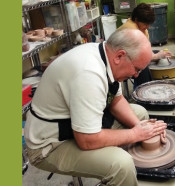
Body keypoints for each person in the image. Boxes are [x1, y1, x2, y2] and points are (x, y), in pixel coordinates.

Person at [24, 28, 167, 186]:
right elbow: (87, 140)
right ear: (120, 55)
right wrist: (135, 134)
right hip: (50, 144)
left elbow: (116, 100)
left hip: (73, 126)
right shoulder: (88, 74)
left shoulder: (106, 55)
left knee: (139, 114)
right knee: (121, 165)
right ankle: (119, 174)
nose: (136, 76)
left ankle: (121, 175)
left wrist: (139, 126)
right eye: (137, 69)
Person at [118, 3, 172, 88]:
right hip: (120, 61)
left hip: (132, 55)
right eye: (145, 24)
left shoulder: (141, 28)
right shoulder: (131, 30)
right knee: (143, 68)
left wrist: (157, 55)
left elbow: (146, 50)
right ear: (136, 20)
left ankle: (151, 83)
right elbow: (138, 57)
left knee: (157, 53)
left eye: (149, 24)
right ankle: (143, 91)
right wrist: (157, 56)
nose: (148, 27)